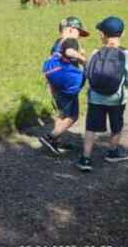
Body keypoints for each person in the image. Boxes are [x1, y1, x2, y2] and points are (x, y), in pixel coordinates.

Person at [76, 16, 128, 171]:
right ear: (123, 33)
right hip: (116, 99)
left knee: (91, 127)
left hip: (95, 98)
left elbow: (87, 73)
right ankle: (112, 152)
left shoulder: (95, 52)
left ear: (102, 35)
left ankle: (86, 158)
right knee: (116, 126)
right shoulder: (127, 55)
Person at [39, 17, 89, 155]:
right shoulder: (71, 41)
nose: (79, 37)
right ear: (71, 29)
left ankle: (55, 142)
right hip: (68, 84)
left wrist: (52, 86)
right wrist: (84, 59)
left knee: (62, 114)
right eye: (79, 32)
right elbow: (70, 53)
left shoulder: (57, 43)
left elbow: (54, 63)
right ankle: (50, 138)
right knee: (73, 116)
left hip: (57, 84)